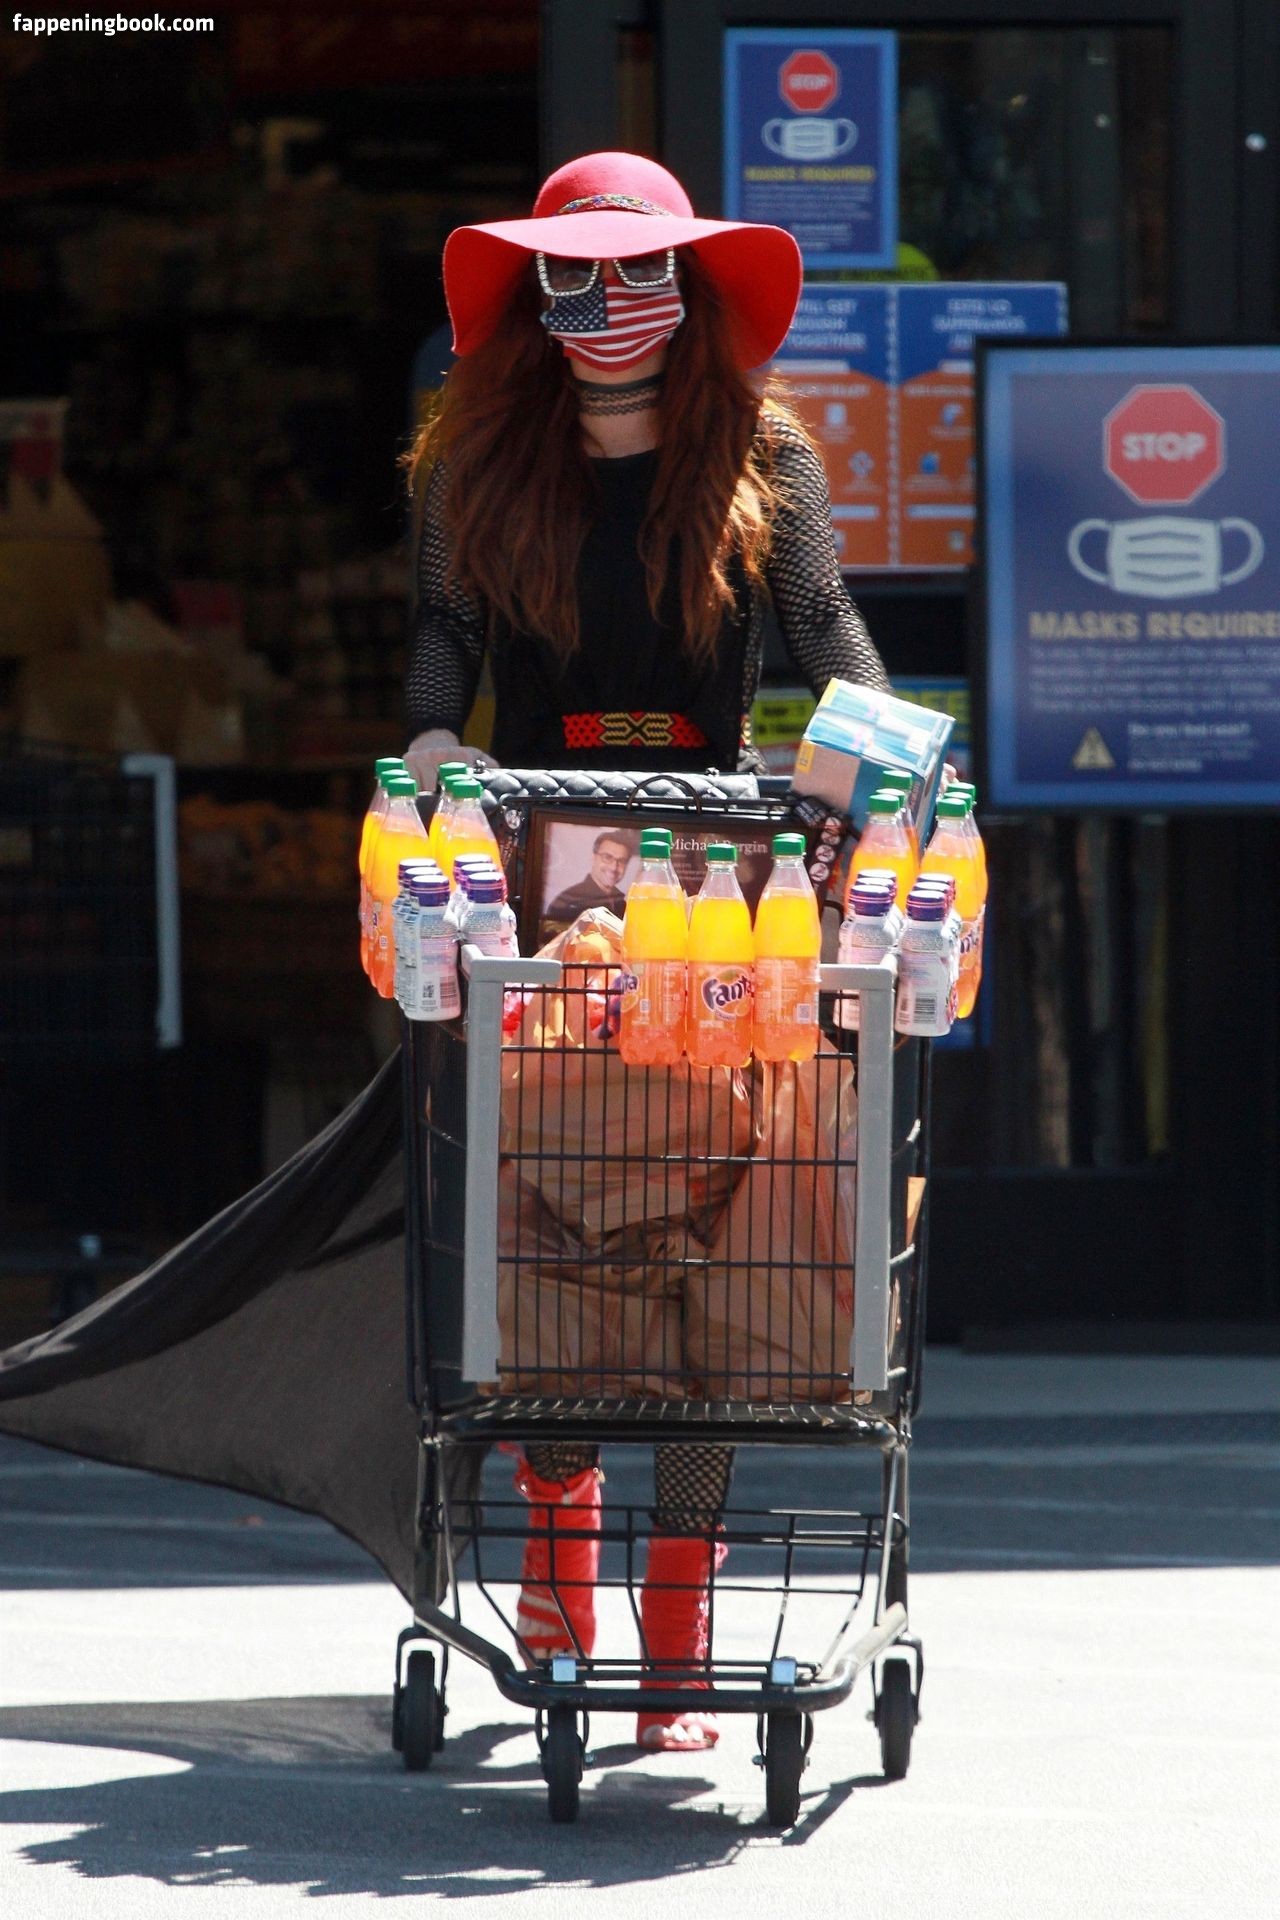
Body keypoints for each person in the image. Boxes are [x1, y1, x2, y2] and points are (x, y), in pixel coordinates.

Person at [397, 151, 891, 1754]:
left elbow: (827, 636)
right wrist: (433, 748)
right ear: (531, 296)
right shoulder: (474, 458)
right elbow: (443, 644)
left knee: (720, 1234)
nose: (611, 305)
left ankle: (678, 1627)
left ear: (691, 287)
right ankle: (557, 1571)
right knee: (553, 1217)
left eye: (640, 274)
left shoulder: (764, 450)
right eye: (577, 277)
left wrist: (884, 768)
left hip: (722, 881)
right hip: (544, 882)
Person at [543, 826, 636, 927]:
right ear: (593, 858)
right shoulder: (568, 902)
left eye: (621, 861)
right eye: (607, 857)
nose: (614, 867)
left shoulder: (623, 902)